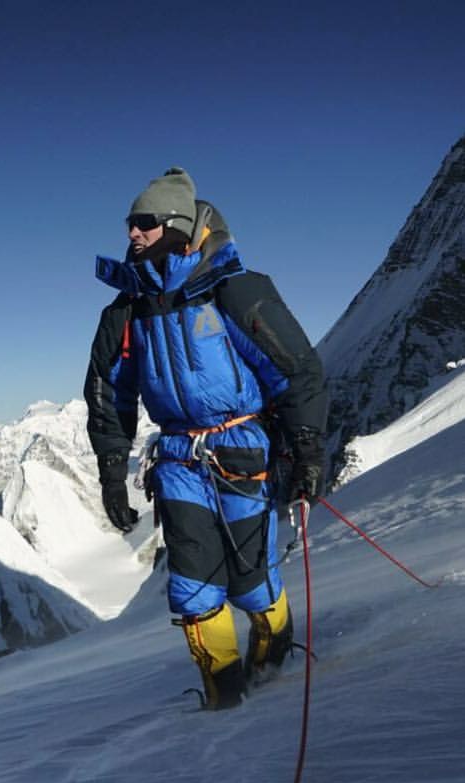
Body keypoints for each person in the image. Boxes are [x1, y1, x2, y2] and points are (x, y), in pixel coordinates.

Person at [84, 167, 327, 709]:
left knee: (252, 582)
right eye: (130, 224)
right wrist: (110, 472)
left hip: (242, 452)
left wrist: (307, 447)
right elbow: (109, 394)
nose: (132, 234)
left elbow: (296, 371)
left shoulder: (234, 291)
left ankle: (273, 671)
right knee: (193, 588)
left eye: (144, 223)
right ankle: (224, 696)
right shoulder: (126, 311)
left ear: (175, 225)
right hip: (176, 461)